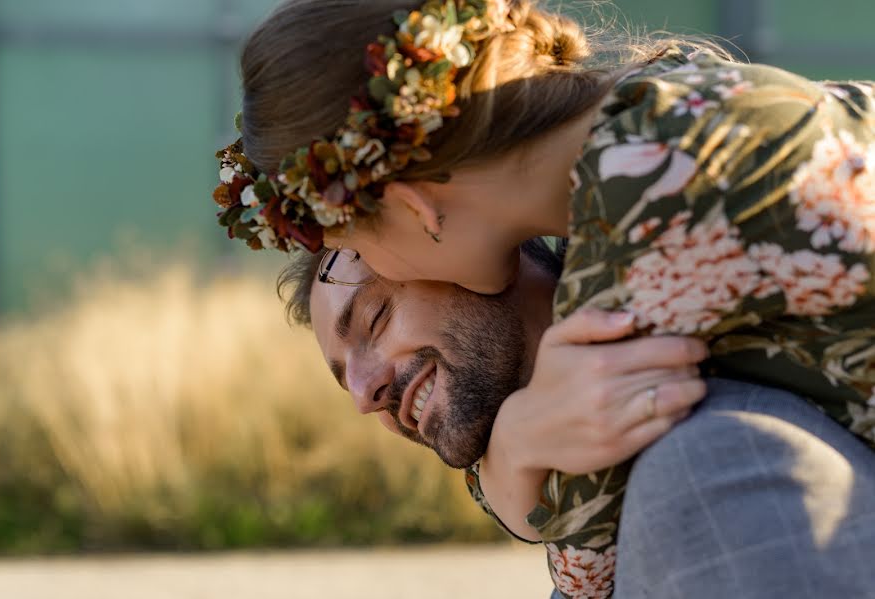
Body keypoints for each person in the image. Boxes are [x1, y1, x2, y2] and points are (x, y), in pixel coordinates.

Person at [211, 1, 875, 596]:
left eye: (375, 297)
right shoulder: (656, 115)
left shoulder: (646, 185)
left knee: (691, 474)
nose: (363, 395)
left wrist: (518, 450)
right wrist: (513, 446)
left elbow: (588, 568)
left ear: (410, 205)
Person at [284, 241, 875, 598]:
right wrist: (511, 452)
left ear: (474, 255)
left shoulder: (707, 452)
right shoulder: (550, 480)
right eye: (346, 379)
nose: (364, 396)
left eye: (377, 317)